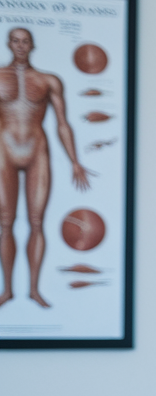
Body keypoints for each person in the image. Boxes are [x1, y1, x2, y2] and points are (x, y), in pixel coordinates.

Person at [0, 27, 92, 309]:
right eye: (15, 40)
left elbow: (63, 123)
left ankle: (34, 289)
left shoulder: (48, 80)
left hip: (37, 150)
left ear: (32, 45)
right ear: (9, 43)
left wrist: (75, 160)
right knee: (6, 222)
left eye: (25, 41)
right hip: (4, 149)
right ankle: (8, 290)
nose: (20, 45)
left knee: (36, 221)